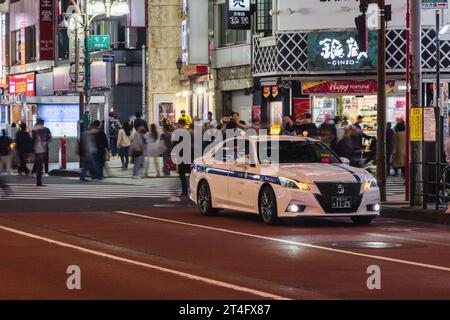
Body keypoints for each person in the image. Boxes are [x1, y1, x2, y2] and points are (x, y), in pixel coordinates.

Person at [172, 119, 193, 197]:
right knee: (189, 173)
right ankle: (191, 190)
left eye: (178, 124)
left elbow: (175, 144)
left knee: (182, 174)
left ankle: (185, 191)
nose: (177, 126)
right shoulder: (187, 132)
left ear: (180, 124)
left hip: (181, 155)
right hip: (188, 155)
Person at [31, 119, 50, 187]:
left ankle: (38, 181)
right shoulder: (35, 131)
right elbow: (33, 141)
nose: (42, 126)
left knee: (40, 165)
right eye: (41, 124)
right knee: (40, 166)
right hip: (38, 151)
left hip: (40, 151)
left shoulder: (41, 131)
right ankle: (38, 182)